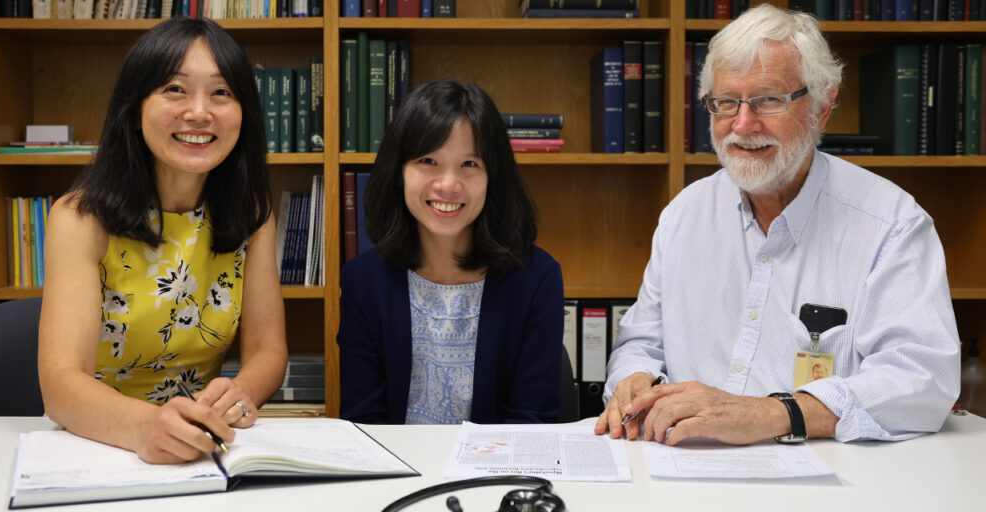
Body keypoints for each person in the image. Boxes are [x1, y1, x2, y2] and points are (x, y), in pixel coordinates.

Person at [595, 4, 959, 445]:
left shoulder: (891, 224)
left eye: (768, 99)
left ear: (821, 108)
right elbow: (641, 342)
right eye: (726, 102)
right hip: (684, 473)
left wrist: (773, 413)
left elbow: (924, 382)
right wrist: (635, 378)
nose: (743, 125)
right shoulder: (683, 215)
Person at [39, 17, 288, 464]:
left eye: (221, 92)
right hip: (98, 443)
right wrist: (144, 427)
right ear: (134, 109)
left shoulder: (252, 214)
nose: (199, 112)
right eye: (175, 89)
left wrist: (240, 393)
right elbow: (60, 382)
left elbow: (267, 350)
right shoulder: (78, 219)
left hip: (203, 444)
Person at [337, 79, 564, 424]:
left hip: (499, 475)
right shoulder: (362, 281)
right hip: (399, 476)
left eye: (469, 164)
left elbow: (531, 424)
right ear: (399, 172)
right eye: (428, 160)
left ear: (493, 176)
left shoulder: (537, 277)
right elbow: (365, 424)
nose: (447, 184)